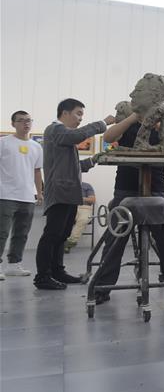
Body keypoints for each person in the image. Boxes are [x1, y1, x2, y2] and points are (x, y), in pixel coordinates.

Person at [91, 105, 164, 304]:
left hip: (155, 187)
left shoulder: (161, 121)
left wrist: (162, 124)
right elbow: (108, 138)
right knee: (115, 236)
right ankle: (102, 285)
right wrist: (133, 117)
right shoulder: (128, 121)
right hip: (126, 187)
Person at [34, 99, 113, 290]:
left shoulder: (63, 138)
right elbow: (79, 135)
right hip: (60, 193)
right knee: (52, 235)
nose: (79, 119)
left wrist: (96, 159)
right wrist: (104, 123)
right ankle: (42, 277)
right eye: (78, 114)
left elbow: (77, 167)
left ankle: (57, 271)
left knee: (62, 235)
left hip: (68, 194)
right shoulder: (55, 130)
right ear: (65, 113)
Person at [0, 111, 43, 280]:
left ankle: (14, 264)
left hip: (27, 196)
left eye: (28, 120)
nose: (26, 123)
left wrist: (39, 192)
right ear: (13, 124)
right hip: (5, 194)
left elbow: (37, 171)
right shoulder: (3, 143)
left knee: (22, 232)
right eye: (21, 121)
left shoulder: (36, 146)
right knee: (2, 232)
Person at [63, 181, 95, 253]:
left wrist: (80, 198)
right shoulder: (66, 185)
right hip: (70, 206)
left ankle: (70, 242)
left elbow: (92, 200)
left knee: (83, 219)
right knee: (61, 218)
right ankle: (64, 242)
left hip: (84, 207)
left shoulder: (86, 185)